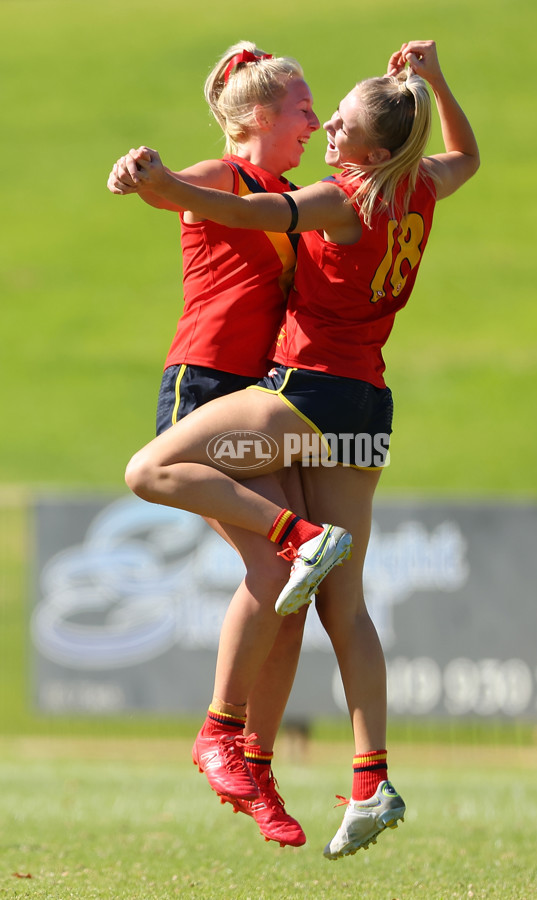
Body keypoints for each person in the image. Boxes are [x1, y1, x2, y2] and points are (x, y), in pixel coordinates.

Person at [121, 39, 480, 859]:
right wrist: (434, 81)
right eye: (318, 111)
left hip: (307, 392)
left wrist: (161, 186)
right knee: (339, 607)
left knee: (152, 472)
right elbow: (467, 154)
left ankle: (241, 722)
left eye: (340, 119)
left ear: (372, 148)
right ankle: (368, 777)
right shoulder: (421, 183)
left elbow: (253, 214)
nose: (327, 126)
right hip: (367, 411)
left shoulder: (341, 197)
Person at [107, 41, 347, 849]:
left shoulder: (292, 195)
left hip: (259, 403)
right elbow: (163, 188)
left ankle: (253, 759)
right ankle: (221, 734)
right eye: (303, 109)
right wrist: (140, 170)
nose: (315, 122)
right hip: (204, 391)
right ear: (257, 119)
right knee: (280, 564)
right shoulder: (226, 177)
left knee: (292, 593)